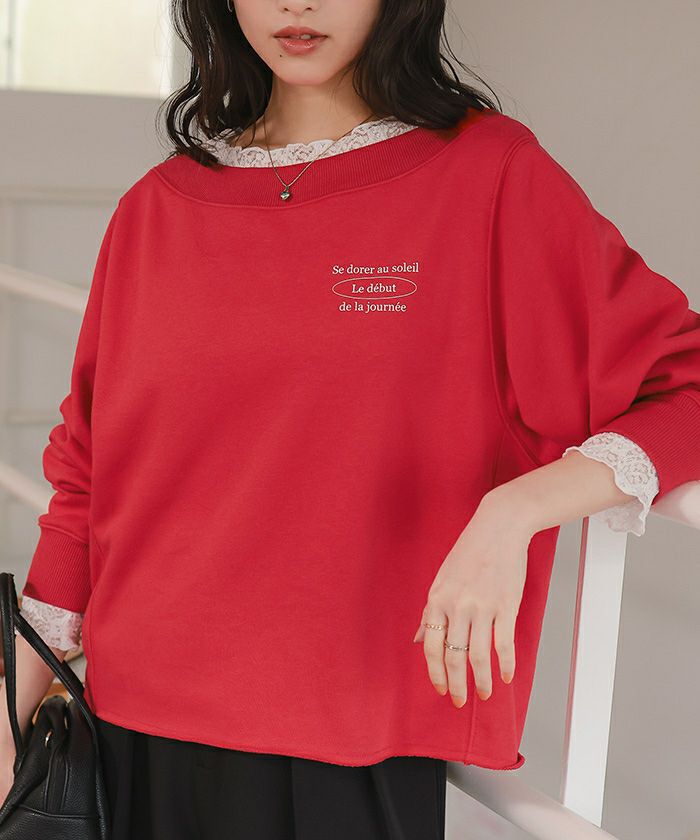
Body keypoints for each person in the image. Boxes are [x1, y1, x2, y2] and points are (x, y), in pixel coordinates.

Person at [3, 1, 700, 837]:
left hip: (348, 741)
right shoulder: (154, 210)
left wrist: (515, 510)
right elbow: (87, 479)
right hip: (131, 726)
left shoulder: (489, 175)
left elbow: (686, 383)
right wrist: (10, 710)